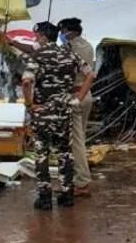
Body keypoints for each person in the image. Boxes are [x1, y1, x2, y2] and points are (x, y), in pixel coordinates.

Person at [21, 21, 82, 211]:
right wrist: (78, 96)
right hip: (64, 111)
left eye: (37, 36)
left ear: (43, 37)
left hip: (43, 112)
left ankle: (45, 197)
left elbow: (26, 81)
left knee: (42, 154)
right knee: (65, 153)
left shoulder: (37, 56)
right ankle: (67, 194)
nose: (35, 39)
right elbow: (90, 74)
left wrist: (30, 104)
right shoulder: (69, 53)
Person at [58, 17, 96, 197]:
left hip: (75, 94)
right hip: (86, 95)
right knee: (80, 137)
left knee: (76, 141)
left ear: (67, 31)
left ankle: (82, 181)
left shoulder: (68, 49)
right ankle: (78, 176)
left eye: (62, 31)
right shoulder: (88, 46)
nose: (61, 35)